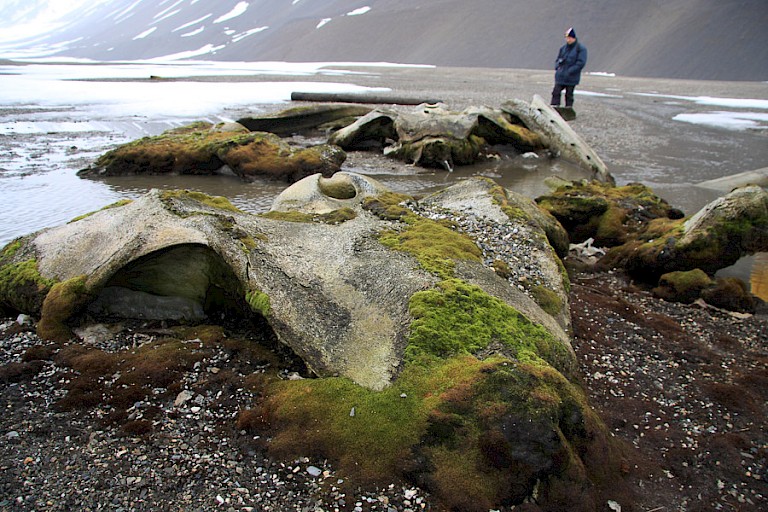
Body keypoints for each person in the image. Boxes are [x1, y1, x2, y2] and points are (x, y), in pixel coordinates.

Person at [551, 27, 587, 109]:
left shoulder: (580, 49)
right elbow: (558, 59)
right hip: (561, 76)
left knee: (569, 94)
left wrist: (570, 71)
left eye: (569, 38)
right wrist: (557, 67)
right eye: (566, 38)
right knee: (555, 92)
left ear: (573, 38)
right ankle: (555, 107)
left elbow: (581, 62)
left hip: (571, 77)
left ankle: (568, 109)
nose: (568, 40)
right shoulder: (563, 48)